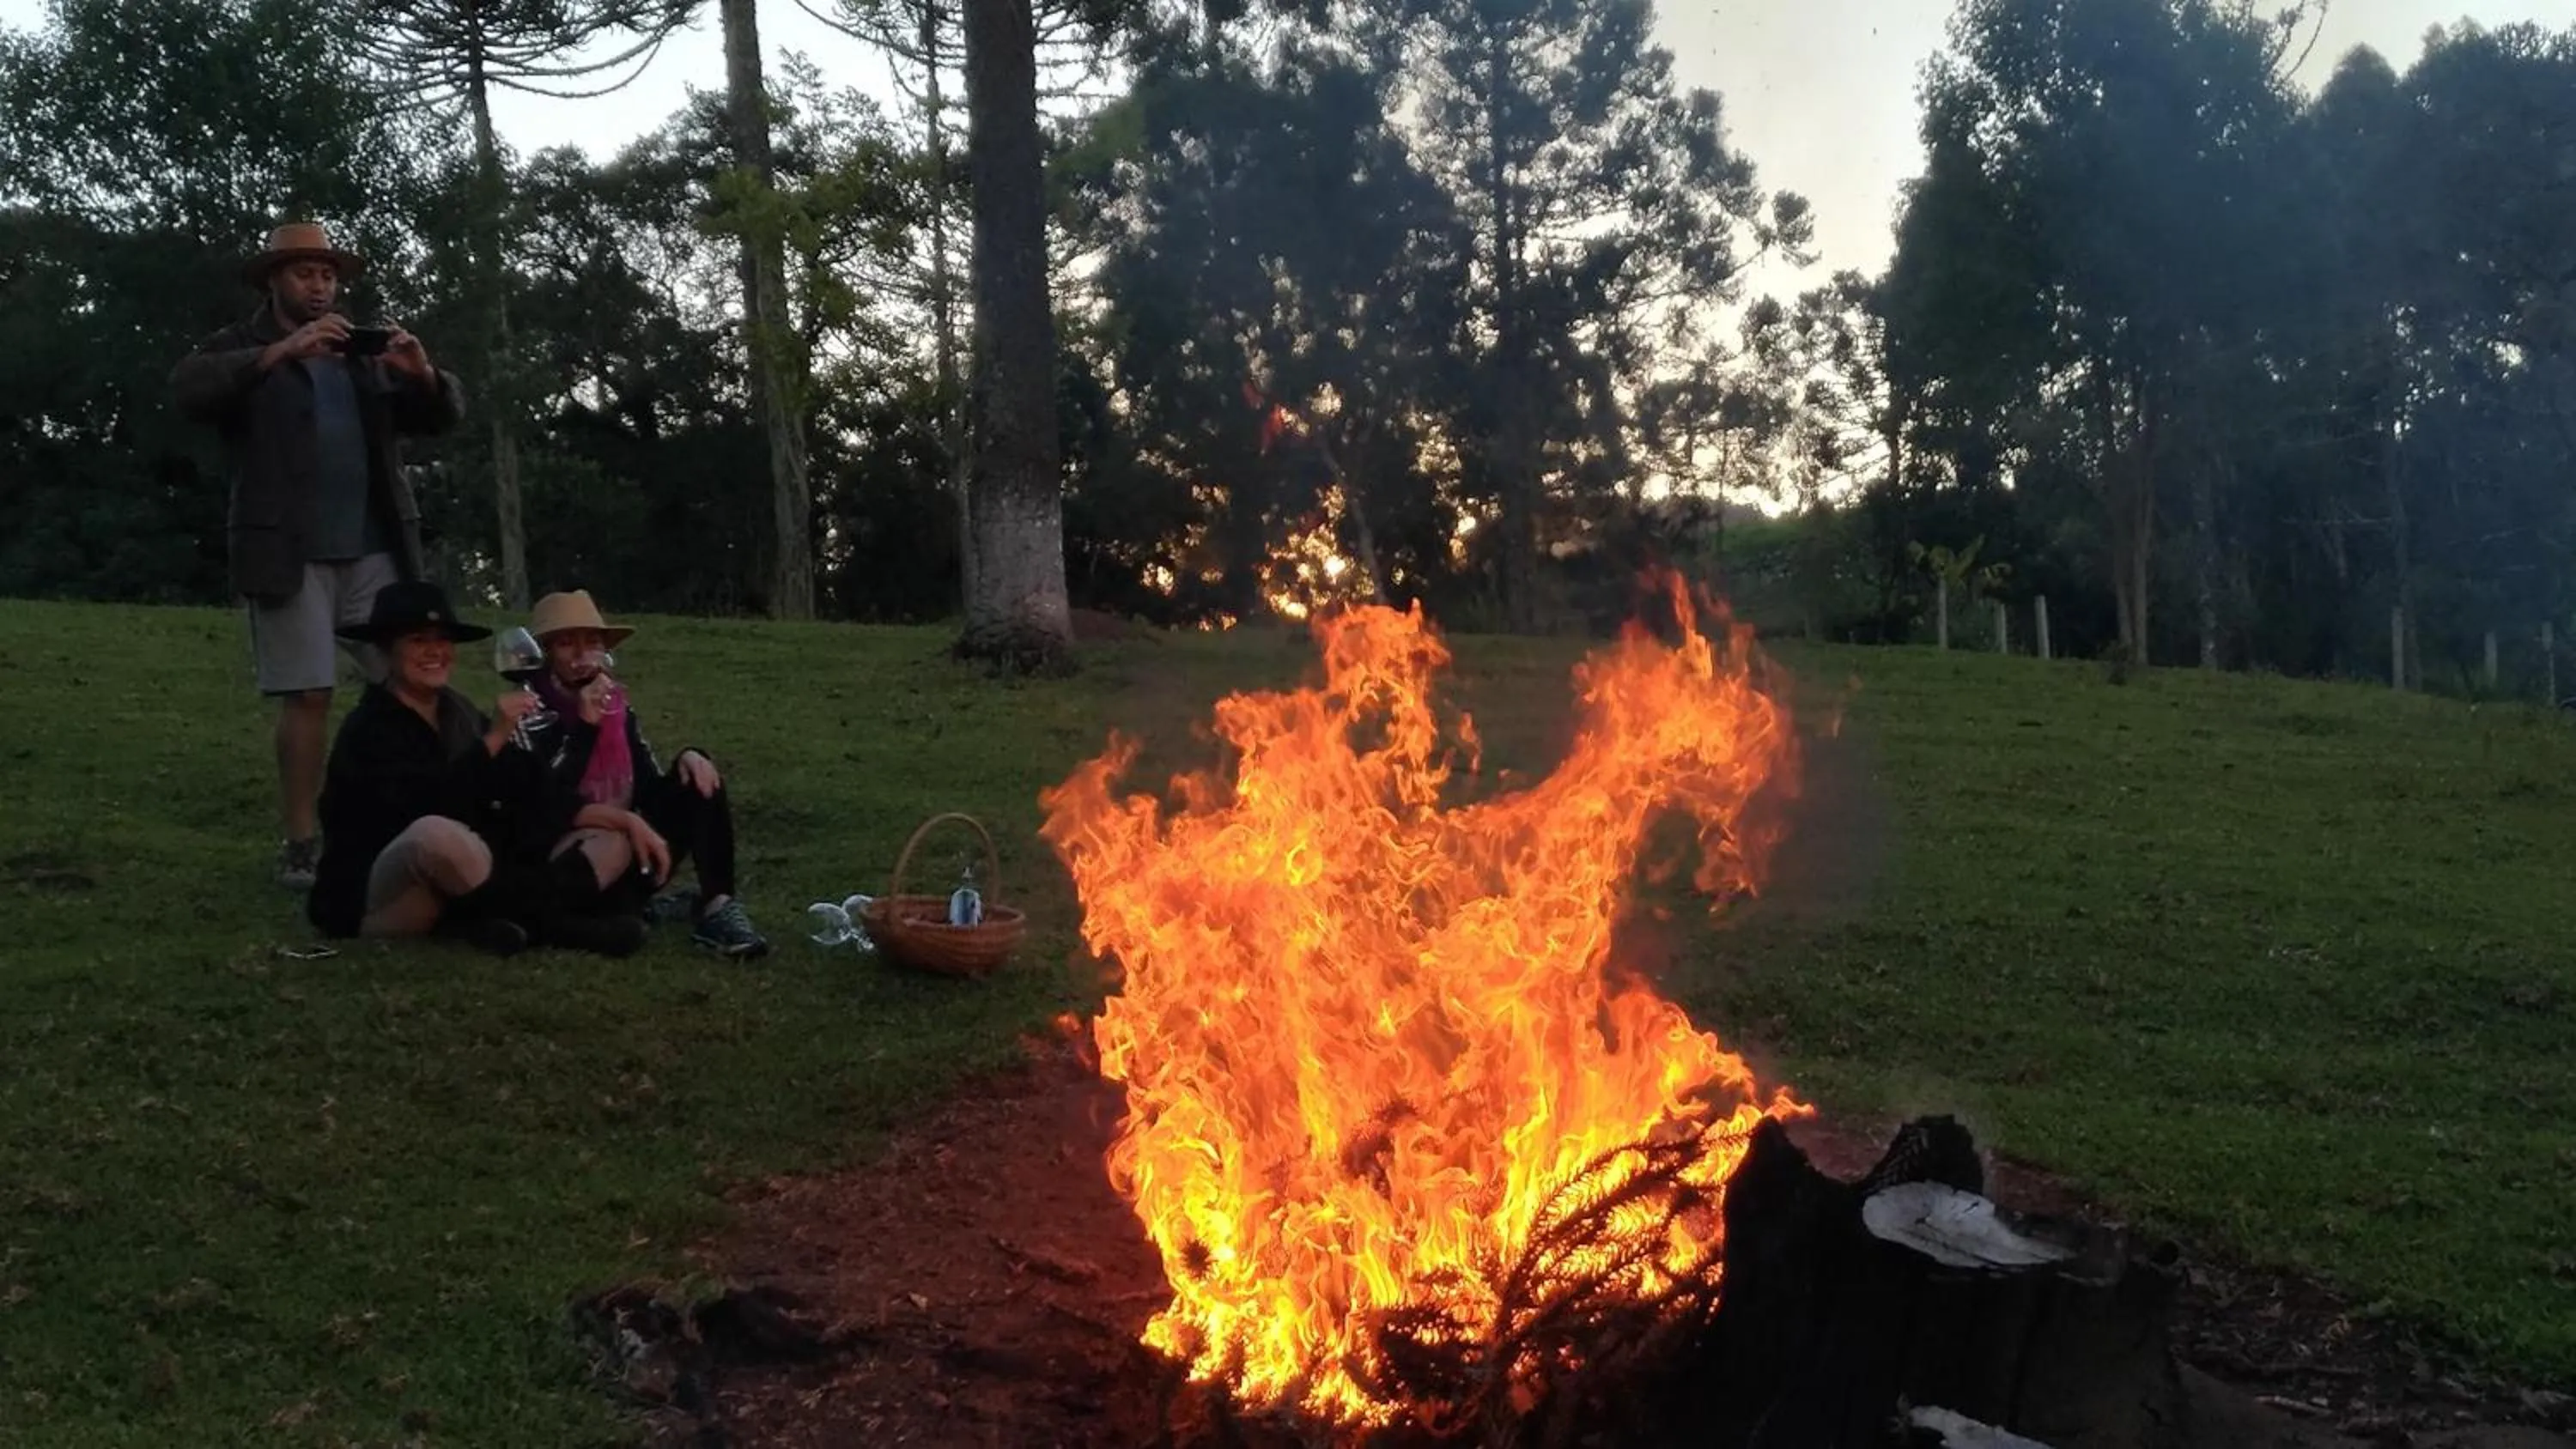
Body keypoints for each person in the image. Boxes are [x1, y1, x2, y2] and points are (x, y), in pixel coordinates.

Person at [170, 220, 466, 891]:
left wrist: (424, 375)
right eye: (306, 273)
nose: (320, 285)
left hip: (375, 546)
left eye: (328, 275)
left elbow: (442, 417)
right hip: (289, 551)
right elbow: (189, 389)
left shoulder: (363, 354)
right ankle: (302, 843)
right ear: (275, 279)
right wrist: (283, 352)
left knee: (412, 679)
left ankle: (430, 820)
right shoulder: (242, 347)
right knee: (308, 694)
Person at [306, 581, 645, 958]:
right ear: (387, 649)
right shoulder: (368, 729)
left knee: (607, 839)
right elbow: (425, 810)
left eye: (443, 640)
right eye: (419, 640)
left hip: (473, 875)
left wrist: (620, 819)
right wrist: (494, 739)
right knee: (437, 835)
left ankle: (496, 923)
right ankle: (562, 929)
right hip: (387, 892)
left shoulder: (458, 713)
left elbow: (531, 789)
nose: (435, 652)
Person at [517, 590, 770, 958]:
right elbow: (547, 805)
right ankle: (616, 913)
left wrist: (690, 757)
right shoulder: (525, 712)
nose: (581, 656)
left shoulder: (616, 708)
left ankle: (719, 908)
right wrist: (585, 728)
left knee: (698, 777)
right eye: (566, 644)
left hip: (629, 845)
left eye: (591, 642)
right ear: (546, 654)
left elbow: (645, 787)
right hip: (568, 864)